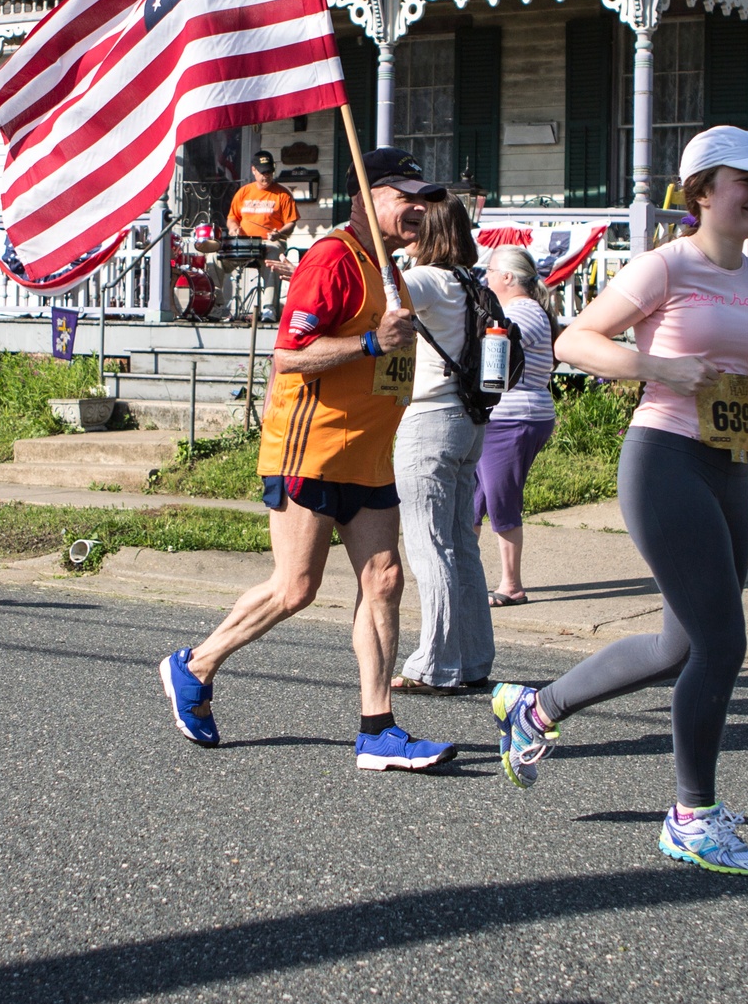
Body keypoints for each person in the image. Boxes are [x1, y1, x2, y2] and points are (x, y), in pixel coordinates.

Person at [491, 126, 748, 876]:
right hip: (665, 461)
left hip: (728, 465)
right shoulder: (666, 265)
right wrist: (658, 366)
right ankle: (691, 816)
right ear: (704, 191)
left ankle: (535, 708)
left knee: (677, 647)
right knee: (724, 644)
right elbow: (578, 340)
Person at [160, 146, 458, 773]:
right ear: (366, 197)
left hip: (370, 454)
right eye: (406, 197)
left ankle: (377, 729)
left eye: (424, 200)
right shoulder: (332, 258)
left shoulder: (391, 269)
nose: (418, 210)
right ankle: (195, 666)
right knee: (296, 587)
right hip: (312, 446)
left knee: (384, 580)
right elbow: (289, 355)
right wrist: (372, 341)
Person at [391, 194, 494, 695]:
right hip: (470, 418)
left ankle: (434, 664)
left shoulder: (428, 279)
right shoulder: (473, 281)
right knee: (460, 543)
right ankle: (473, 658)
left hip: (430, 418)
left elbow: (379, 299)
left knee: (430, 545)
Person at [473, 246, 559, 607]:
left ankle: (511, 585)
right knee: (472, 500)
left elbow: (494, 357)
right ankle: (466, 575)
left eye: (490, 271)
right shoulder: (524, 310)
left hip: (513, 418)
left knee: (500, 500)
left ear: (507, 277)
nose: (486, 277)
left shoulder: (519, 312)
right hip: (508, 416)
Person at [225, 150, 298, 321]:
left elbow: (291, 223)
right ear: (253, 170)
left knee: (273, 255)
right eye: (262, 172)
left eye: (269, 172)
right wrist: (233, 228)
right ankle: (218, 307)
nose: (266, 176)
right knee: (215, 257)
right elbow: (231, 218)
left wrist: (279, 233)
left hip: (269, 243)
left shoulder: (283, 194)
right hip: (244, 244)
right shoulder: (244, 192)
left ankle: (268, 309)